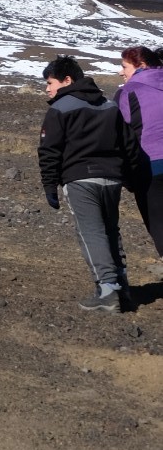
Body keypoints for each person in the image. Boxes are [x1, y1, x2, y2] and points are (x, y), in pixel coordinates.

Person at [38, 54, 130, 313]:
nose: (48, 89)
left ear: (67, 80)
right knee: (111, 231)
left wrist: (49, 185)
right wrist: (130, 176)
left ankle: (108, 290)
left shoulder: (60, 108)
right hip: (112, 180)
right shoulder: (109, 106)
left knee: (91, 232)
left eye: (50, 82)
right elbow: (127, 144)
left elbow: (49, 150)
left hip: (80, 179)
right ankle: (123, 287)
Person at [118, 45, 163, 258]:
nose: (121, 72)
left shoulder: (128, 91)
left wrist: (127, 175)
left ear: (141, 66)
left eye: (124, 66)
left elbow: (123, 135)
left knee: (159, 226)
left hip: (151, 167)